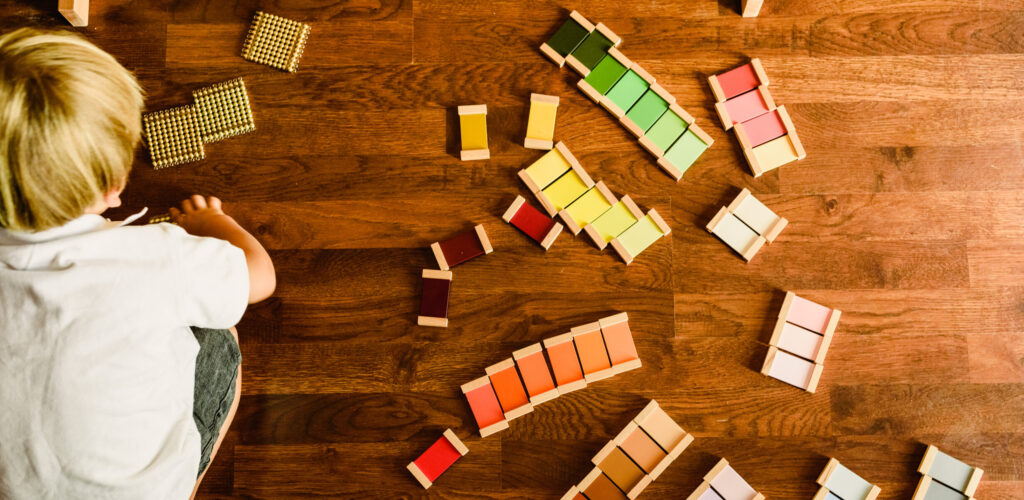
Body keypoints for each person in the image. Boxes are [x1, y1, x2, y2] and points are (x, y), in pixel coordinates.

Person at [0, 28, 276, 499]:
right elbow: (260, 277)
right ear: (112, 188)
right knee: (219, 338)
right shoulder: (154, 255)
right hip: (143, 491)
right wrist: (211, 221)